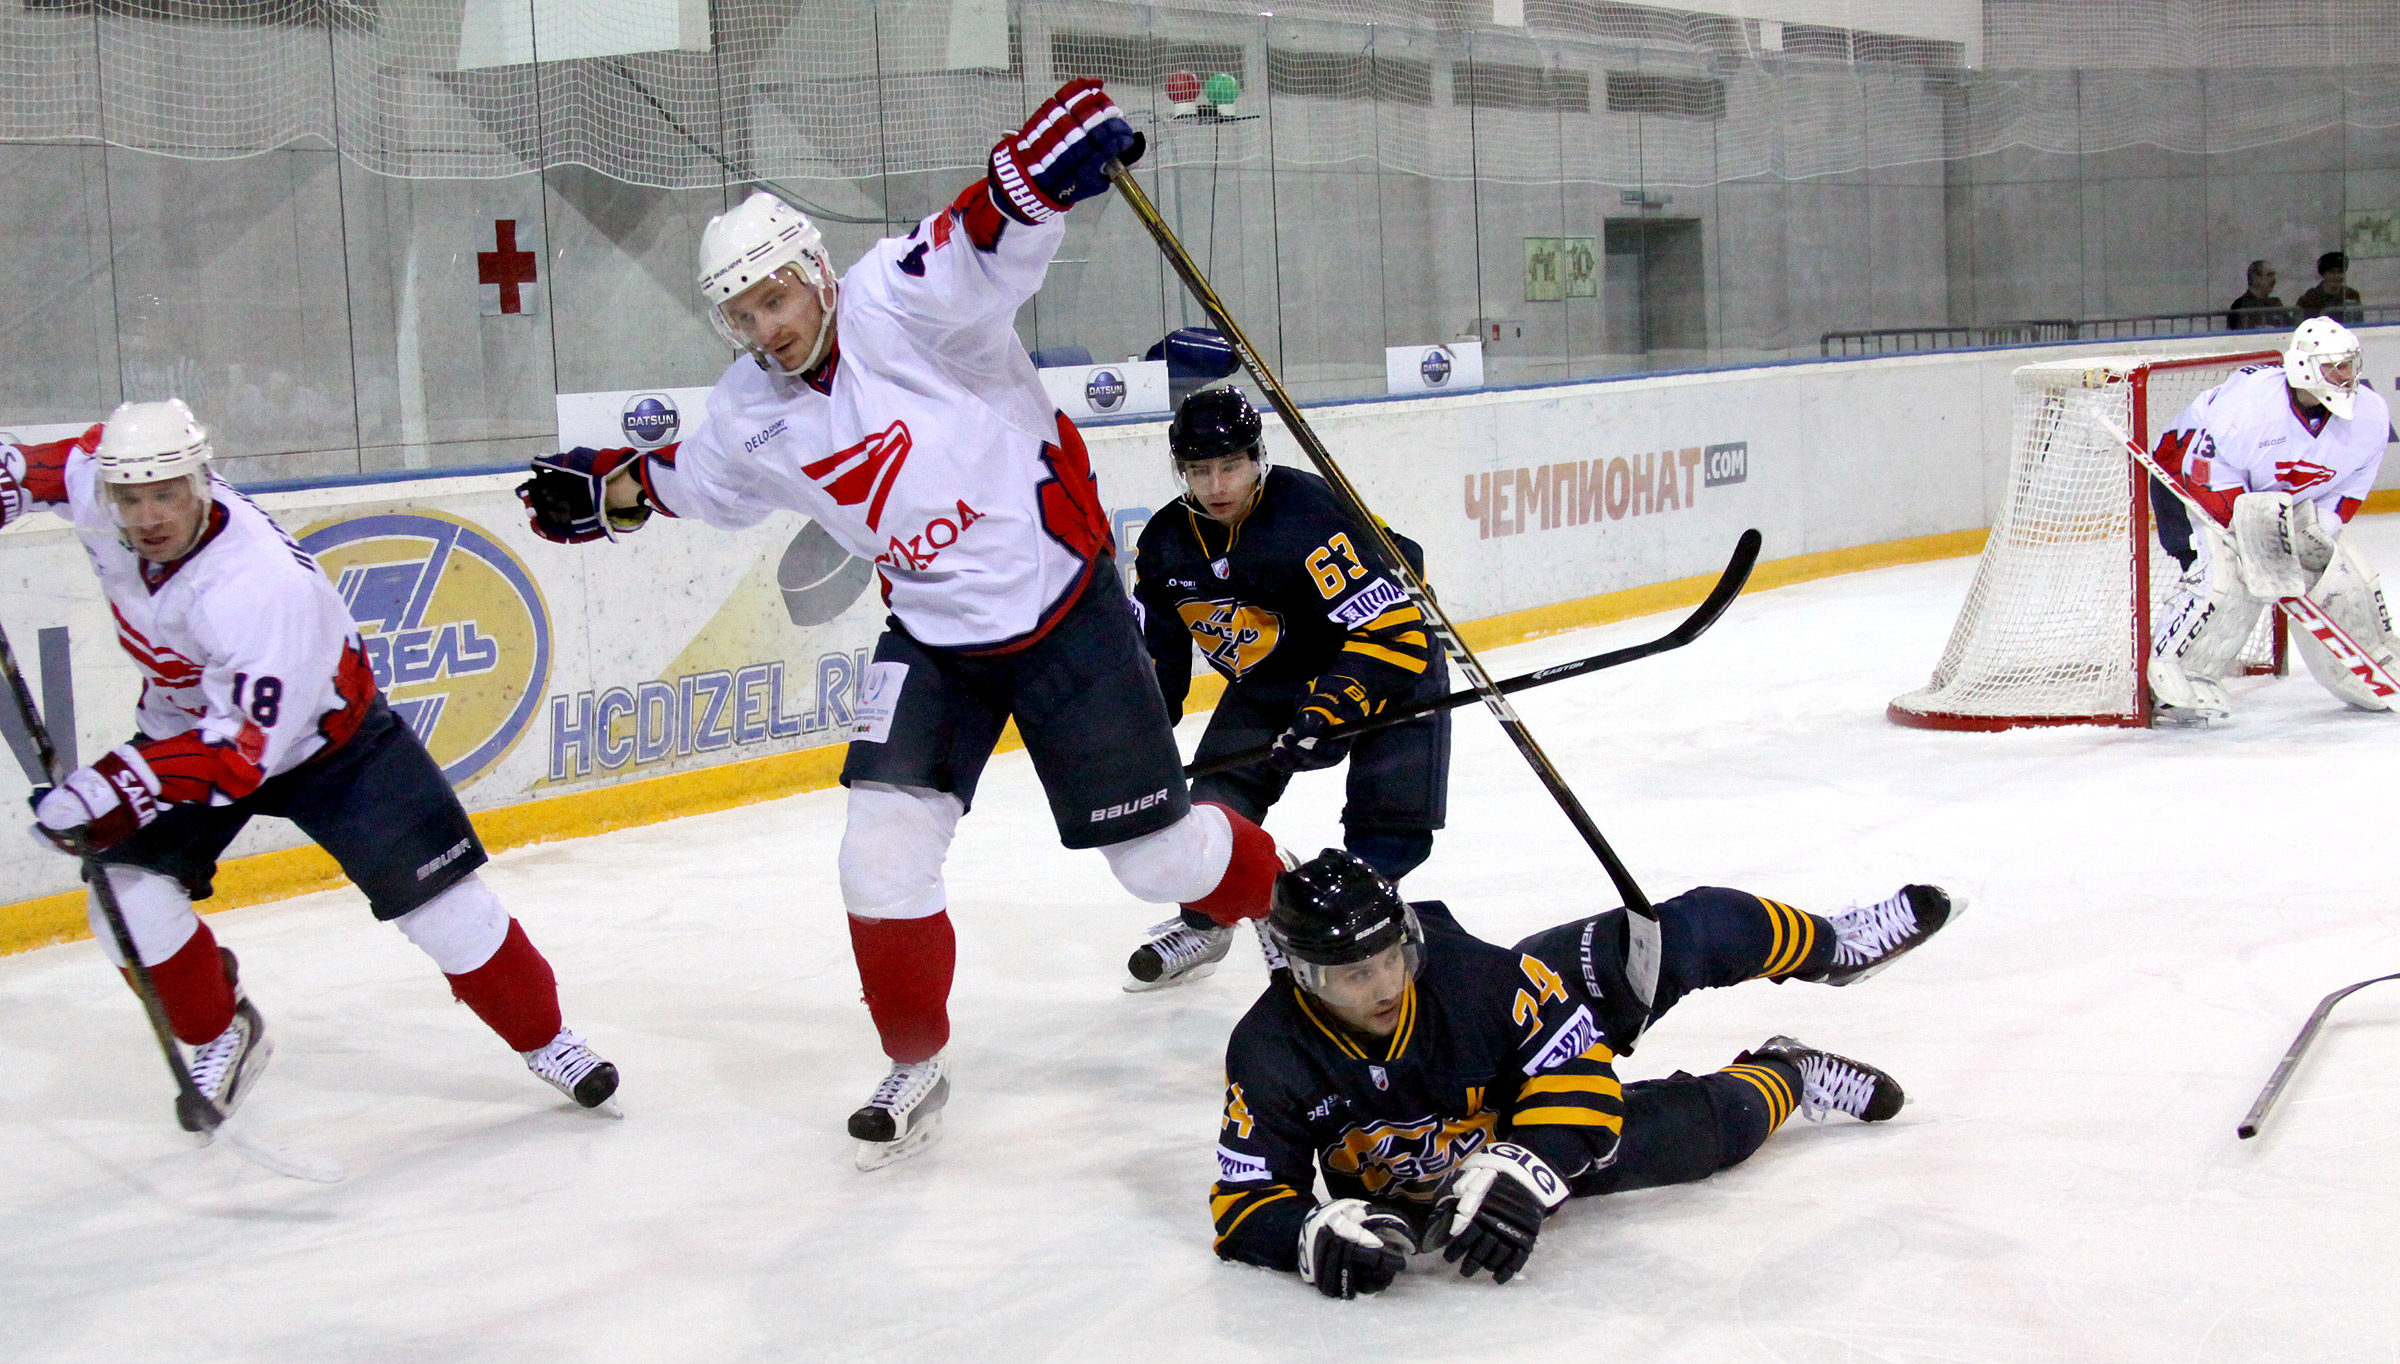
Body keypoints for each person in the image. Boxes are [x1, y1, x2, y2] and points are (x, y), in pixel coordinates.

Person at [516, 79, 1288, 1169]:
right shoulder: (752, 407)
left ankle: (1289, 901)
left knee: (1155, 859)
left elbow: (982, 235)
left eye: (777, 298)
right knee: (878, 854)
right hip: (932, 636)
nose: (767, 328)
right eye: (742, 314)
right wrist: (609, 494)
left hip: (1060, 606)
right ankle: (915, 1056)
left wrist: (1029, 180)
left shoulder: (893, 296)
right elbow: (695, 480)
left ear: (816, 272)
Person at [0, 400, 617, 1135]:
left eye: (165, 494)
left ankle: (548, 1041)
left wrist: (112, 785)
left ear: (201, 482)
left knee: (448, 911)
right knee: (124, 902)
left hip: (334, 746)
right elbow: (34, 466)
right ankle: (224, 1032)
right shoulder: (104, 481)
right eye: (130, 500)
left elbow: (234, 760)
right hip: (187, 729)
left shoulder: (256, 588)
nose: (148, 516)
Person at [1208, 850, 1959, 1297]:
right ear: (1303, 978)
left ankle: (1835, 946)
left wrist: (1532, 1164)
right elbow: (1244, 1202)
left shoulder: (1471, 978)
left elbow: (1578, 1066)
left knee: (1683, 934)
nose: (1383, 987)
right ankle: (1792, 1071)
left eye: (1391, 958)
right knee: (1707, 1131)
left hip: (1533, 1119)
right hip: (1449, 1194)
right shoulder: (1271, 1051)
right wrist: (1308, 1235)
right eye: (1354, 976)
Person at [1122, 387, 1449, 991]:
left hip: (1384, 662)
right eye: (1200, 470)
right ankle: (1208, 918)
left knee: (1388, 823)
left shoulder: (1305, 513)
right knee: (1212, 814)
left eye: (1231, 465)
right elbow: (1156, 667)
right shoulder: (1166, 543)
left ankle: (1367, 915)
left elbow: (1394, 629)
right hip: (1274, 674)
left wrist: (1331, 705)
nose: (1217, 485)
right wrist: (1128, 736)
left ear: (1257, 457)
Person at [2147, 317, 2397, 724]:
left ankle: (2357, 667)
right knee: (2226, 577)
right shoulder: (2249, 409)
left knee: (2334, 570)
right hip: (2185, 477)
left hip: (2276, 496)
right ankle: (2178, 675)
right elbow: (2206, 475)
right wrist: (2255, 538)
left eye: (2349, 364)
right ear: (2303, 368)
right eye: (2334, 366)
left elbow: (2353, 485)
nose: (2346, 375)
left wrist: (2318, 529)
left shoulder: (2369, 414)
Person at [2295, 252, 2363, 324]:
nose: (2336, 276)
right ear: (2323, 275)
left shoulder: (2351, 295)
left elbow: (2357, 323)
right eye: (2331, 272)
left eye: (2340, 272)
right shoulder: (2309, 299)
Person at [2225, 259, 2289, 332]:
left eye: (2273, 275)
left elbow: (2291, 326)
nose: (2274, 279)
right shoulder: (2240, 305)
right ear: (2256, 278)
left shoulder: (2275, 303)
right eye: (2269, 275)